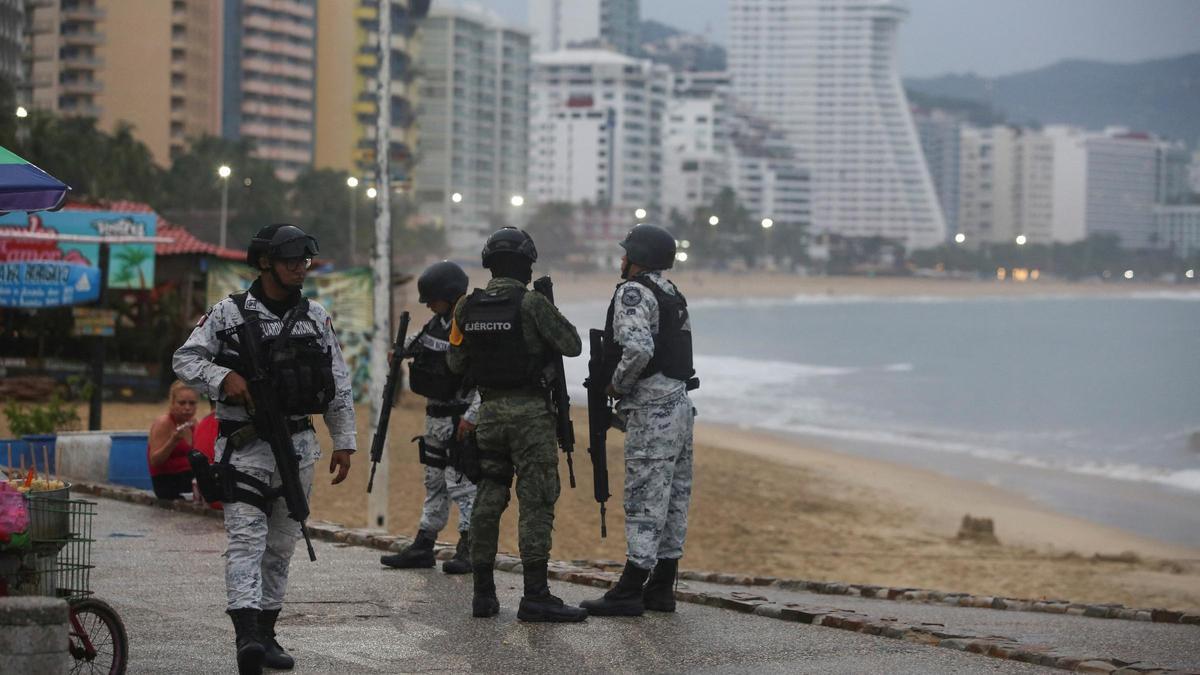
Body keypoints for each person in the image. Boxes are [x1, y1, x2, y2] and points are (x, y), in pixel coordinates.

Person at [173, 223, 356, 675]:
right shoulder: (229, 314)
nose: (300, 267)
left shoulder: (316, 315)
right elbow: (185, 359)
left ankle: (268, 632)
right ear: (266, 262)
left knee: (281, 547)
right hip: (244, 447)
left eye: (304, 259)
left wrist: (344, 442)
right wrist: (223, 378)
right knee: (245, 542)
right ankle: (247, 637)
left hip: (298, 448)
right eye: (290, 259)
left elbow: (338, 383)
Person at [447, 226, 586, 622]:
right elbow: (571, 344)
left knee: (489, 499)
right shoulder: (531, 304)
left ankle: (483, 594)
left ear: (489, 264)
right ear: (527, 265)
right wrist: (544, 308)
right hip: (530, 418)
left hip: (489, 415)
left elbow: (456, 363)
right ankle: (535, 595)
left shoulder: (465, 308)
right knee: (536, 500)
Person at [580, 224, 697, 617]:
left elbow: (639, 348)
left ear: (637, 258)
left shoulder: (634, 293)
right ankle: (662, 588)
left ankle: (630, 589)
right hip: (680, 405)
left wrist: (615, 385)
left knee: (645, 500)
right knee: (674, 499)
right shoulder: (670, 292)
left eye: (625, 253)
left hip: (652, 409)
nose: (621, 259)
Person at [381, 261, 479, 574]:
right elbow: (415, 345)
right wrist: (399, 352)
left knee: (461, 484)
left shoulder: (470, 325)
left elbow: (485, 378)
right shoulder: (436, 323)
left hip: (459, 419)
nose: (429, 305)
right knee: (434, 482)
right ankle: (425, 544)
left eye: (433, 299)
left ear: (449, 295)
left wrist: (473, 416)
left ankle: (470, 546)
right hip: (435, 418)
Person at [146, 381, 199, 499]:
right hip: (168, 481)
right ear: (172, 403)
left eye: (192, 403)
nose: (187, 408)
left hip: (190, 479)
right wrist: (172, 441)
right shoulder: (164, 423)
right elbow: (154, 461)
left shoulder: (193, 423)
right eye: (182, 403)